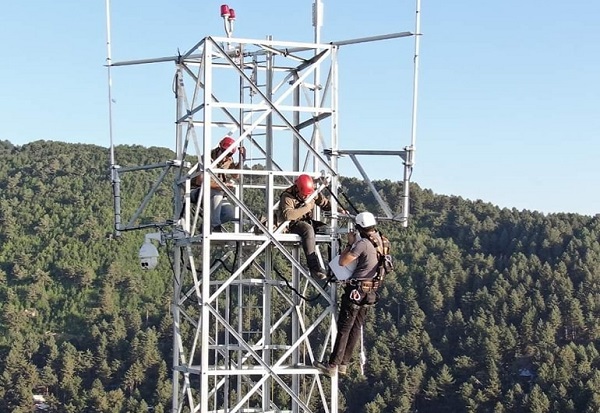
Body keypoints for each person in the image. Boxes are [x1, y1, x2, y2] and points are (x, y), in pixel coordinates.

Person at [315, 211, 382, 377]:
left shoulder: (363, 244)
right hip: (370, 291)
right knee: (355, 327)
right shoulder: (380, 241)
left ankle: (332, 365)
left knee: (344, 328)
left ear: (359, 227)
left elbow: (342, 261)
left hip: (356, 290)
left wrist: (349, 244)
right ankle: (343, 363)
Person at [278, 174, 337, 280]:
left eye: (307, 195)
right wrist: (307, 207)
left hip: (308, 220)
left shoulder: (311, 193)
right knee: (308, 230)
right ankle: (314, 268)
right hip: (293, 224)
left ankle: (334, 267)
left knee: (330, 231)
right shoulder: (287, 196)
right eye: (303, 195)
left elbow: (325, 204)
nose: (305, 197)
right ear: (297, 188)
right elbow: (289, 215)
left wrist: (339, 210)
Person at [187, 136, 246, 232]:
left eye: (229, 154)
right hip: (198, 191)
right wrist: (222, 186)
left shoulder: (228, 160)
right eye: (225, 152)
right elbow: (200, 181)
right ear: (220, 148)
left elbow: (236, 175)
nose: (226, 156)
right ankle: (215, 226)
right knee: (217, 193)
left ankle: (206, 227)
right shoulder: (207, 158)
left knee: (228, 214)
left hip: (217, 192)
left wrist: (242, 159)